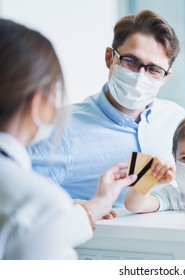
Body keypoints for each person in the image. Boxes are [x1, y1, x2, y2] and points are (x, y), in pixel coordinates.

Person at [0, 19, 143, 259]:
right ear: (39, 101)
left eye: (153, 69)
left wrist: (97, 204)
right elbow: (40, 227)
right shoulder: (39, 203)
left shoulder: (172, 117)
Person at [28, 10, 185, 207]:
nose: (140, 75)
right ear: (109, 58)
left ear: (165, 77)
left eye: (154, 69)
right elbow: (17, 196)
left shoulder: (177, 119)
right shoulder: (61, 127)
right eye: (131, 61)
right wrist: (74, 207)